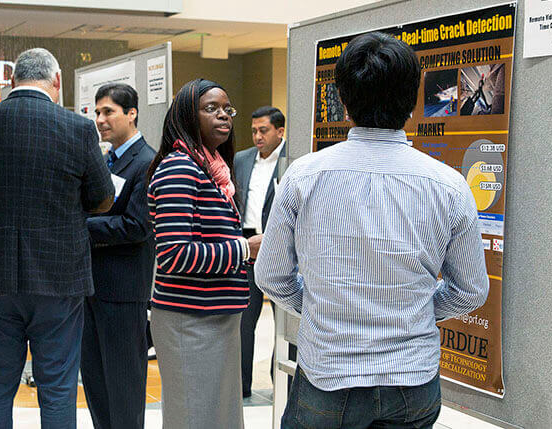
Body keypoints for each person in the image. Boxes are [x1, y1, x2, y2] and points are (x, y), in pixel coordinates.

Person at [255, 32, 489, 429]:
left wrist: (320, 307)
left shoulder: (303, 177)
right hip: (411, 382)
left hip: (328, 375)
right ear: (413, 100)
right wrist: (415, 311)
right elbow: (470, 291)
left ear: (344, 102)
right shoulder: (449, 186)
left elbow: (271, 277)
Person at [0, 48, 114, 429]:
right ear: (56, 81)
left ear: (12, 81)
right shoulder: (78, 128)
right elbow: (103, 198)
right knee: (57, 390)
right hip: (60, 276)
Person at [147, 78, 262, 429]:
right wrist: (244, 248)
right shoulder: (179, 168)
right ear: (186, 115)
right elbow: (174, 254)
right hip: (190, 320)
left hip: (214, 316)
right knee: (194, 417)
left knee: (218, 417)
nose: (223, 116)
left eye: (227, 109)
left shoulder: (210, 168)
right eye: (211, 109)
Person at [81, 83, 156, 429]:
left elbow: (137, 226)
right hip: (90, 288)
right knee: (95, 382)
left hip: (124, 293)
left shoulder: (147, 162)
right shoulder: (103, 160)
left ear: (131, 113)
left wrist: (80, 226)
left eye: (108, 111)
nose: (100, 119)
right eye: (97, 112)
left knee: (124, 387)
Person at [234, 105, 286, 399]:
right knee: (244, 320)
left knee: (284, 322)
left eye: (263, 130)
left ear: (280, 131)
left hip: (280, 250)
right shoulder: (241, 159)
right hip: (246, 246)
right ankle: (241, 387)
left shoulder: (293, 159)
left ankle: (281, 385)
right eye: (254, 131)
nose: (257, 136)